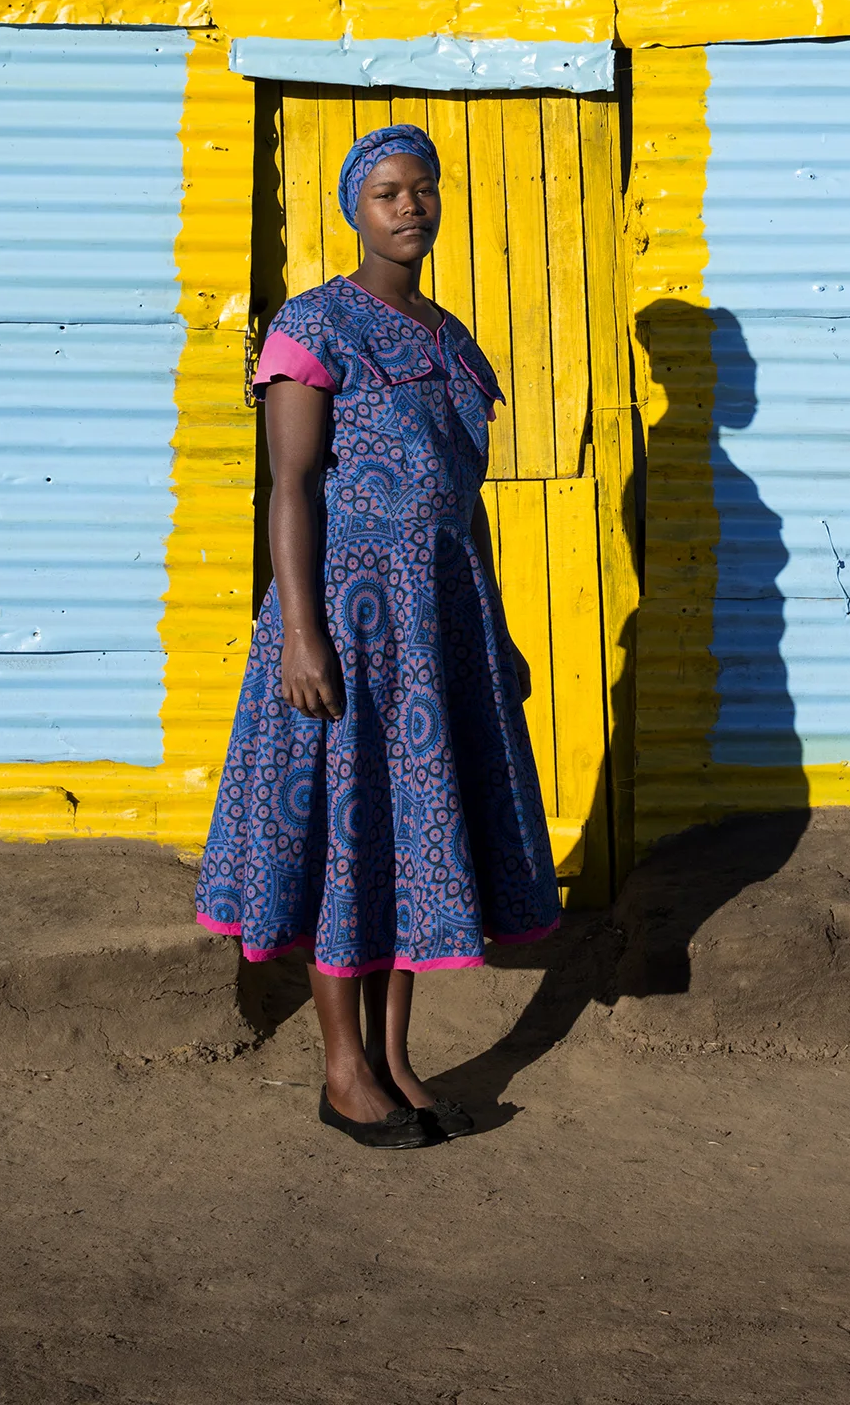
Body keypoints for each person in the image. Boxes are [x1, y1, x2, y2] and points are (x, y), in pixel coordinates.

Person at [196, 121, 560, 1150]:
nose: (410, 205)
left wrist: (496, 632)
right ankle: (343, 1070)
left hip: (439, 626)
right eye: (388, 190)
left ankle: (398, 1058)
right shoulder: (316, 324)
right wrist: (304, 633)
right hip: (346, 622)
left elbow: (465, 501)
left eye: (424, 189)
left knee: (413, 835)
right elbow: (293, 487)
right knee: (342, 832)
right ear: (356, 208)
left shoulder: (450, 340)